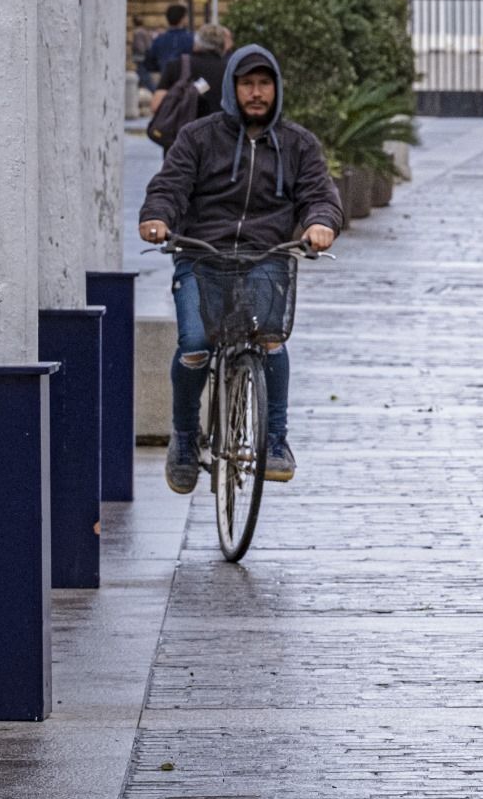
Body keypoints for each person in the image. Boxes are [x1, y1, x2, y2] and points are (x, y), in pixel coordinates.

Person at [138, 44, 343, 493]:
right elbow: (170, 185)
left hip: (266, 255)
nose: (256, 93)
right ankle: (186, 440)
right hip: (201, 254)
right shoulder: (197, 137)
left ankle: (276, 440)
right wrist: (157, 218)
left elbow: (320, 196)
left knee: (270, 337)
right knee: (194, 344)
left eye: (264, 84)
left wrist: (320, 223)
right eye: (247, 84)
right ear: (232, 88)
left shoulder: (298, 143)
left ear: (276, 88)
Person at [151, 22, 232, 140]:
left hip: (180, 143)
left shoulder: (177, 65)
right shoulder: (230, 71)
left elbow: (156, 105)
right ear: (223, 46)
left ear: (197, 42)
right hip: (219, 144)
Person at [144, 4, 193, 83]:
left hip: (165, 80)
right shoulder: (191, 39)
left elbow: (150, 62)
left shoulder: (158, 40)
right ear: (182, 19)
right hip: (186, 82)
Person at [131, 15, 157, 92]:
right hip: (144, 56)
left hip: (140, 56)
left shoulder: (137, 32)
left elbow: (140, 45)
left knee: (143, 74)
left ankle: (152, 90)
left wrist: (141, 52)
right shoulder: (144, 31)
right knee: (140, 73)